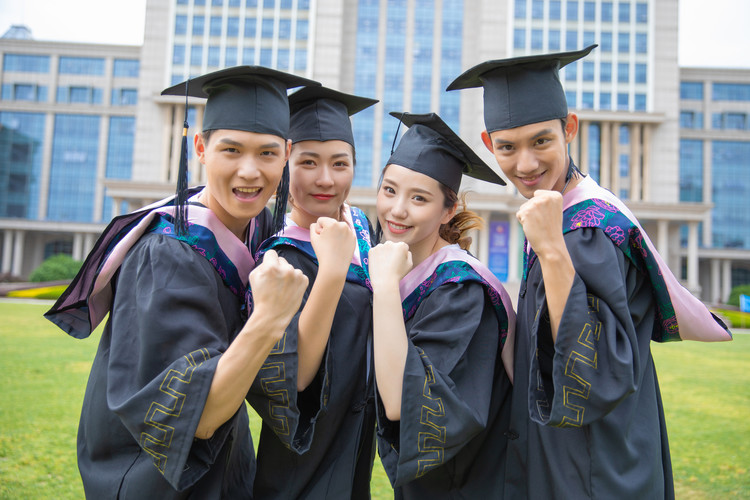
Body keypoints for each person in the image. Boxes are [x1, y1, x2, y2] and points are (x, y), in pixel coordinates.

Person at [447, 45, 732, 499]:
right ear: (488, 144)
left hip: (591, 466)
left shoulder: (585, 231)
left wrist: (552, 250)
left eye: (541, 141)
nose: (525, 164)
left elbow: (599, 368)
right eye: (507, 146)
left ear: (569, 129)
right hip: (588, 452)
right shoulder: (562, 214)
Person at [44, 66, 319, 499]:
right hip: (150, 472)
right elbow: (200, 414)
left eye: (267, 153)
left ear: (286, 153)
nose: (250, 172)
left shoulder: (258, 230)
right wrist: (269, 317)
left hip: (222, 464)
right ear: (201, 147)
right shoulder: (167, 253)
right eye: (231, 150)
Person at [369, 112, 516, 499]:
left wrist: (383, 288)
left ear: (447, 211)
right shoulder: (403, 266)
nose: (397, 210)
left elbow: (402, 401)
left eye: (419, 198)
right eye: (389, 190)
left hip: (468, 485)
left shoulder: (460, 289)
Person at [247, 86, 379, 498]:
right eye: (308, 162)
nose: (326, 179)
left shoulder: (361, 230)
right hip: (300, 465)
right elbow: (296, 375)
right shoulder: (277, 254)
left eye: (340, 163)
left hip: (357, 446)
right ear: (286, 165)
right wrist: (333, 270)